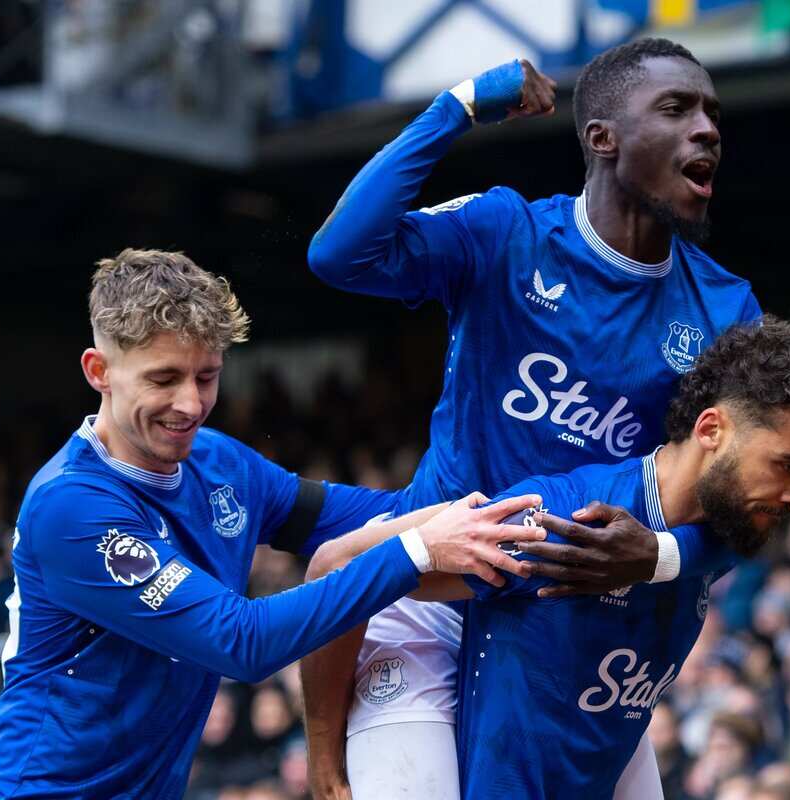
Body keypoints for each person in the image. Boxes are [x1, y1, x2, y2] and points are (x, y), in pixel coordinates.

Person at [303, 36, 762, 798]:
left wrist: (657, 555)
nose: (708, 129)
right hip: (430, 597)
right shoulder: (505, 233)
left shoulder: (726, 311)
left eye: (713, 114)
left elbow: (747, 506)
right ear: (602, 138)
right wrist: (455, 109)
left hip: (568, 624)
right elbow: (340, 254)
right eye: (677, 109)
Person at [0, 249, 546, 799]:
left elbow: (376, 515)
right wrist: (418, 551)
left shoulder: (218, 461)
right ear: (99, 371)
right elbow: (242, 642)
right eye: (163, 378)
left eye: (207, 375)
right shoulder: (71, 505)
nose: (191, 404)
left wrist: (515, 508)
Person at [307, 318, 790, 798]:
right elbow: (337, 567)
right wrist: (324, 764)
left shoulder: (726, 528)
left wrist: (658, 557)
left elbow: (692, 549)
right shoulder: (566, 522)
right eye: (787, 465)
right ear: (711, 430)